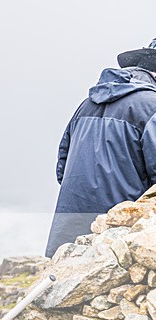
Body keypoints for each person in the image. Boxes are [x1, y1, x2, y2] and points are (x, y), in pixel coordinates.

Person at [46, 38, 156, 257]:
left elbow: (62, 169)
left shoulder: (86, 104)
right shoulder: (152, 106)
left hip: (66, 239)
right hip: (120, 242)